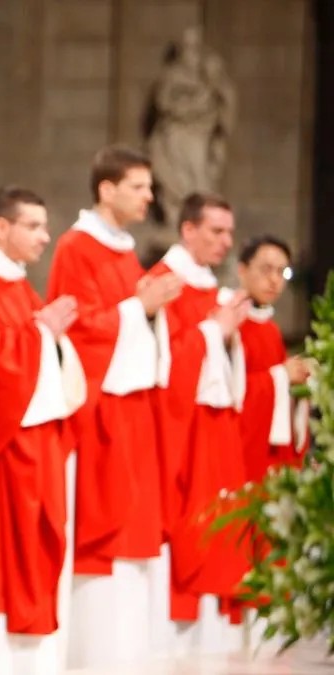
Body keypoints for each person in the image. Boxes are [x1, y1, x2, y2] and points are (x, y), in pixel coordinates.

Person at [45, 145, 182, 666]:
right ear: (106, 189)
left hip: (132, 410)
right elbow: (79, 329)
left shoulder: (123, 249)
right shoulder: (77, 247)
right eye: (139, 187)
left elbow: (123, 317)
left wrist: (148, 313)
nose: (150, 196)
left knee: (135, 528)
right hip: (100, 411)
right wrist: (138, 310)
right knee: (104, 532)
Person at [0, 186, 86, 674]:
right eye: (33, 226)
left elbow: (33, 344)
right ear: (1, 228)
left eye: (45, 227)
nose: (45, 237)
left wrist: (47, 337)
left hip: (34, 448)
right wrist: (38, 334)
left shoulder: (18, 283)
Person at [150, 192, 250, 654]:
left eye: (229, 232)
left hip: (213, 431)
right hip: (178, 431)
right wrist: (215, 333)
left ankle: (213, 641)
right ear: (188, 230)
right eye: (216, 231)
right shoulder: (162, 283)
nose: (226, 242)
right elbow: (160, 363)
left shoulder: (213, 290)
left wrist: (225, 338)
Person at [231, 235, 310, 481]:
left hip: (270, 449)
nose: (274, 280)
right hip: (241, 450)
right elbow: (229, 392)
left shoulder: (271, 329)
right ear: (242, 270)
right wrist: (281, 376)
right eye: (266, 269)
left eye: (282, 272)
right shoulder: (230, 322)